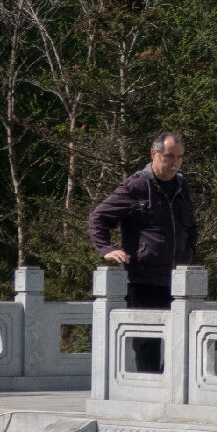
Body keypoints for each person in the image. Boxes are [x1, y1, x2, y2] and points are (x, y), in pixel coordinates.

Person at [87, 132, 197, 310]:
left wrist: (190, 250)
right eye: (169, 157)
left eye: (179, 157)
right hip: (143, 283)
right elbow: (98, 218)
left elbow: (191, 225)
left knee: (180, 338)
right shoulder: (136, 186)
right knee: (146, 339)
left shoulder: (182, 185)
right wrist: (106, 249)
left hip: (180, 282)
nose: (174, 163)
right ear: (154, 154)